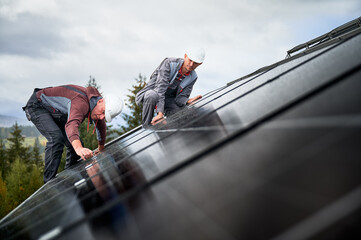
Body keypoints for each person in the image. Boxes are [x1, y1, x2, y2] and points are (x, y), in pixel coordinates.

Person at [23, 85, 123, 183]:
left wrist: (100, 147)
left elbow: (101, 125)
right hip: (38, 106)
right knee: (56, 139)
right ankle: (49, 183)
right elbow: (71, 125)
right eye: (103, 112)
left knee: (74, 145)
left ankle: (69, 177)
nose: (101, 117)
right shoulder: (81, 103)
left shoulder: (96, 104)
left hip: (56, 112)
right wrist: (78, 148)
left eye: (104, 116)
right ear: (100, 101)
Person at [136, 47, 205, 126]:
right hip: (149, 96)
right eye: (190, 60)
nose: (191, 64)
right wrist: (160, 113)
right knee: (152, 95)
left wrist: (187, 101)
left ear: (200, 64)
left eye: (195, 62)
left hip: (167, 100)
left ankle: (171, 131)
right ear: (185, 56)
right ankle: (146, 127)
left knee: (182, 112)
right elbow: (160, 89)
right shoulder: (169, 63)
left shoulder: (193, 77)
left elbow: (180, 98)